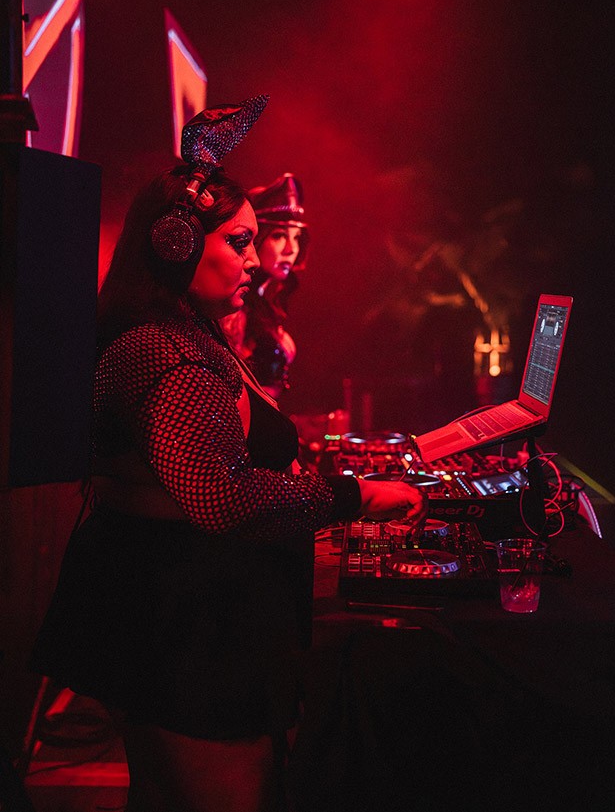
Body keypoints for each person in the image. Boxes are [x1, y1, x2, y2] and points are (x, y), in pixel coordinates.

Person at [30, 96, 426, 812]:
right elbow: (221, 496)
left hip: (180, 614)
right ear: (176, 243)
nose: (254, 260)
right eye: (239, 243)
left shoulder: (186, 332)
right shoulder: (162, 351)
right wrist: (352, 496)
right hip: (184, 631)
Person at [223, 172, 308, 400]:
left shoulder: (263, 305)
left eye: (297, 237)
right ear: (254, 239)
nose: (291, 249)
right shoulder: (233, 309)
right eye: (279, 236)